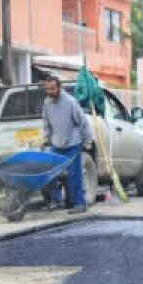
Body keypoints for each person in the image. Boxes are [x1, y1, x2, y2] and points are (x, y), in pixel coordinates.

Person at [42, 75, 92, 214]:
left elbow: (82, 122)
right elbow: (46, 123)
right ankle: (57, 201)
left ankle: (80, 204)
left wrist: (87, 140)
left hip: (72, 143)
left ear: (59, 87)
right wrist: (46, 138)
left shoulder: (70, 102)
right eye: (48, 89)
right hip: (56, 144)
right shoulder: (47, 103)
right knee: (51, 173)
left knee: (73, 175)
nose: (50, 91)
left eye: (52, 89)